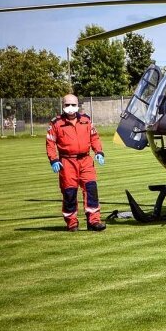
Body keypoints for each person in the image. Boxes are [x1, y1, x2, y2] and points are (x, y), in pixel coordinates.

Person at [46, 94, 106, 232]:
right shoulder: (56, 123)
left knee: (91, 189)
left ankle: (94, 221)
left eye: (73, 104)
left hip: (85, 160)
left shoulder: (86, 120)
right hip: (67, 162)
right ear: (63, 106)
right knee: (69, 192)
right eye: (67, 105)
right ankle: (72, 222)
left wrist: (99, 152)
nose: (70, 108)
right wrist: (53, 159)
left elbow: (94, 137)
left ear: (78, 105)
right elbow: (50, 143)